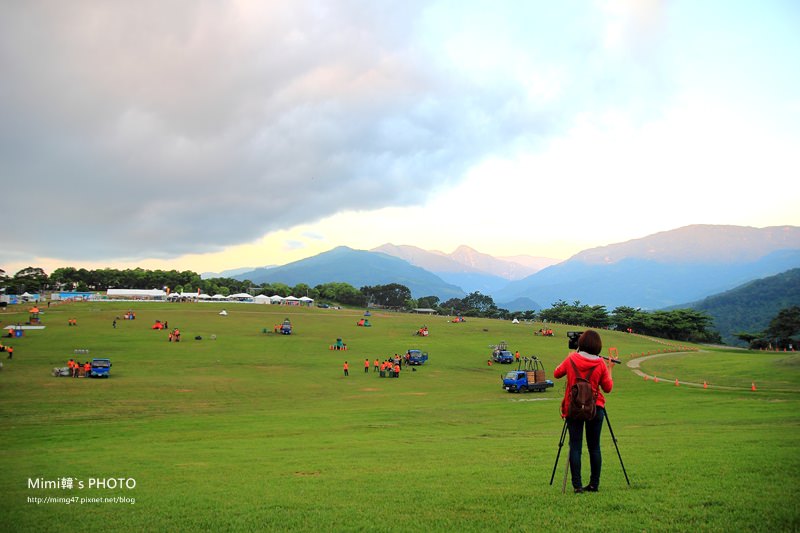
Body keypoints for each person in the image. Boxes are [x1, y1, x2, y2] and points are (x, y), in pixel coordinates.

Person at [553, 330, 613, 494]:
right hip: (595, 407)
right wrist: (609, 369)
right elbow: (607, 388)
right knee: (594, 447)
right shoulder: (600, 363)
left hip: (574, 408)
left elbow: (557, 373)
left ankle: (577, 485)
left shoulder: (572, 358)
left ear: (581, 343)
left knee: (575, 446)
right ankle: (594, 484)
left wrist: (569, 357)